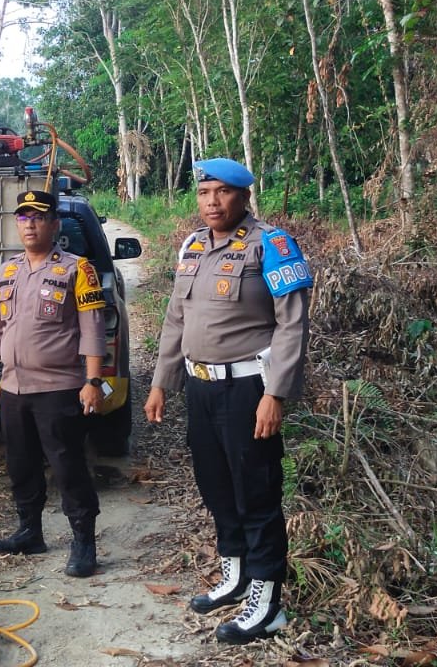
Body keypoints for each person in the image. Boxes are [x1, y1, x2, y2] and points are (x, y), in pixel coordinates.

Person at [143, 157, 312, 644]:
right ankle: (236, 577)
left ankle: (267, 603)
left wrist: (276, 393)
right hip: (200, 386)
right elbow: (177, 319)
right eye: (204, 193)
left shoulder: (271, 245)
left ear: (243, 196)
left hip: (248, 389)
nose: (211, 202)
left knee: (256, 494)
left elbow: (292, 324)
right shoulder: (193, 246)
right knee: (216, 487)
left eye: (222, 192)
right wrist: (161, 383)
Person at [0, 189, 107, 578]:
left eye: (37, 217)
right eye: (23, 217)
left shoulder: (76, 269)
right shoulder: (7, 271)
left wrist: (93, 380)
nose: (29, 224)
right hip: (13, 388)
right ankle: (29, 531)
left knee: (68, 466)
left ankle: (84, 542)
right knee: (20, 463)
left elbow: (92, 330)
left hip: (59, 388)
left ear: (54, 224)